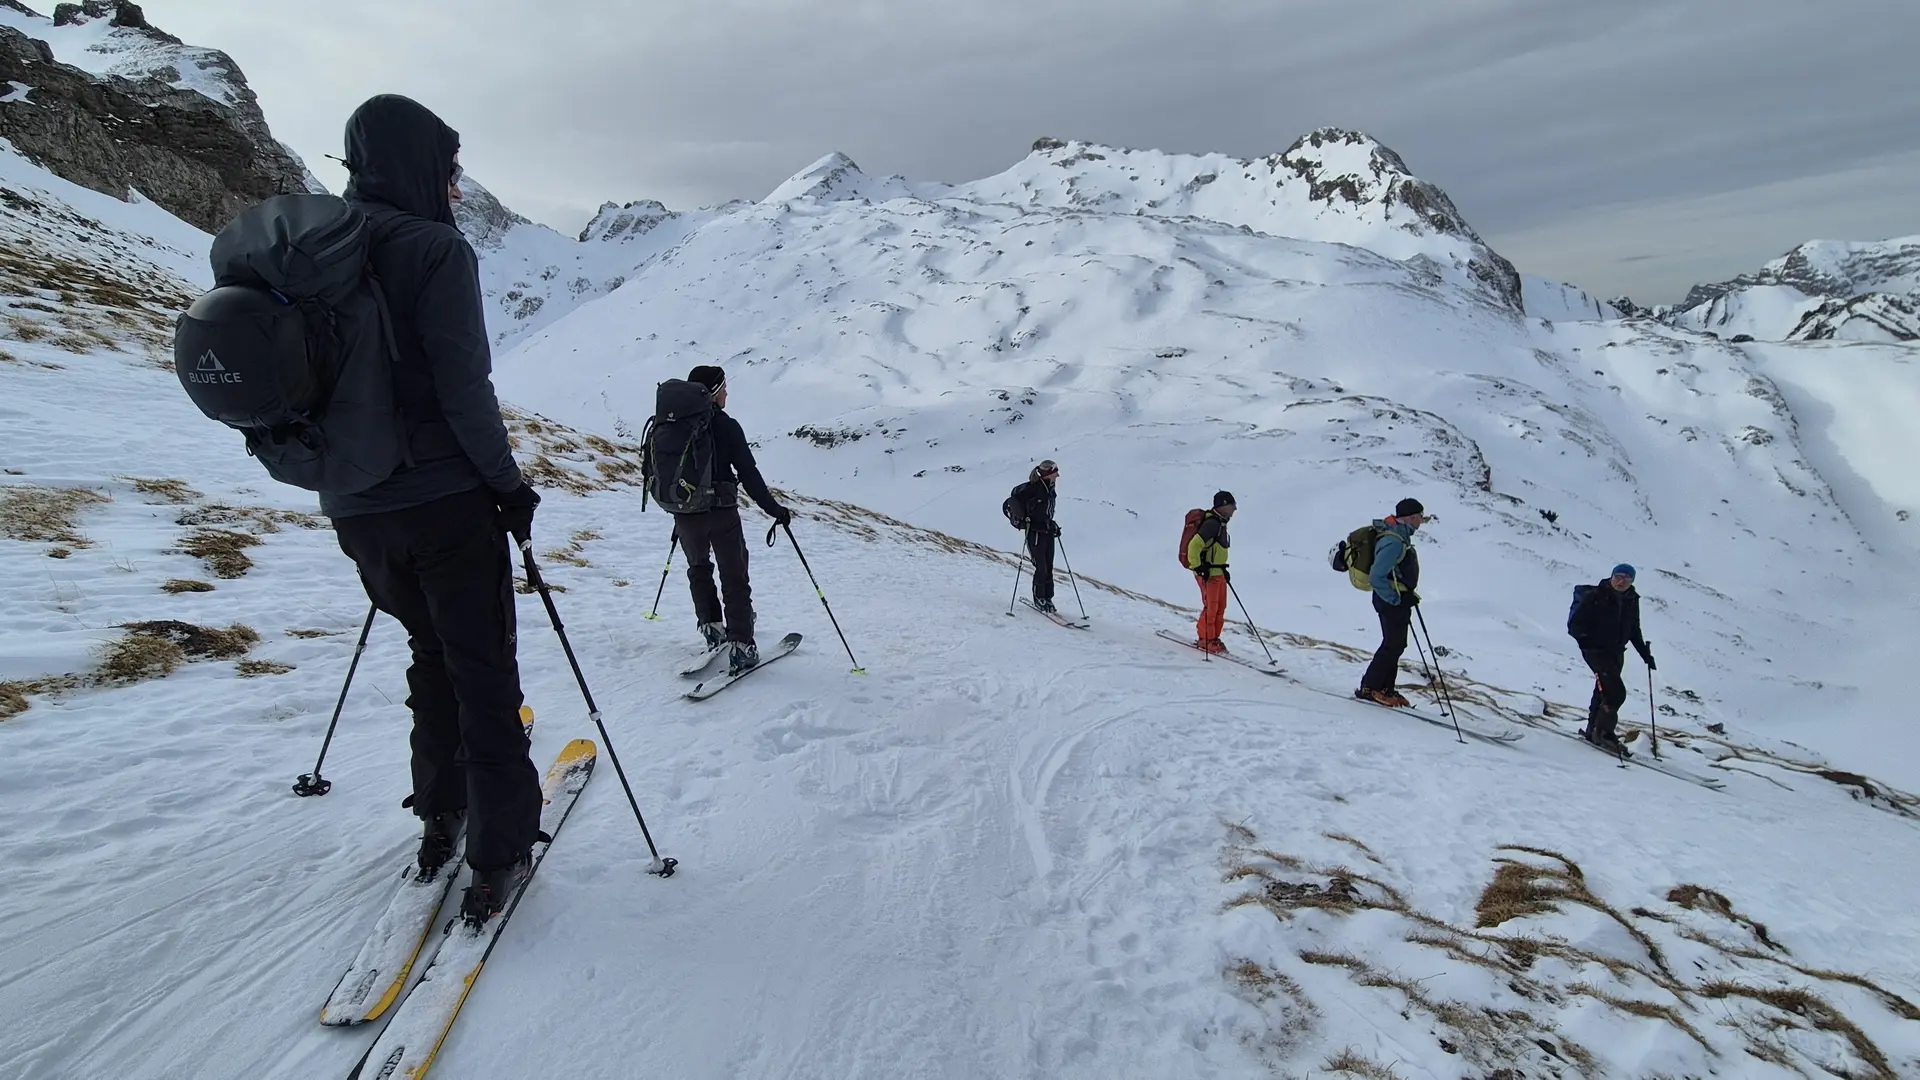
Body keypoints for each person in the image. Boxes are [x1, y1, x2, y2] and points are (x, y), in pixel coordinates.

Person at [323, 94, 544, 925]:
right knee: (483, 672)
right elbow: (463, 388)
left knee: (430, 656)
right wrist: (508, 486)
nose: (456, 187)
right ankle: (498, 853)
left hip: (356, 508)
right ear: (422, 166)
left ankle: (440, 817)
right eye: (450, 170)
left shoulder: (320, 246)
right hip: (445, 501)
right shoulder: (433, 248)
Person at [676, 364, 793, 674]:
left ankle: (712, 628)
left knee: (699, 568)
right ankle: (742, 645)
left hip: (685, 515)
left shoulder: (674, 425)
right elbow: (749, 475)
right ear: (714, 392)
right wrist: (775, 510)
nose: (727, 393)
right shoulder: (727, 426)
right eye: (724, 388)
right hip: (721, 513)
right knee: (734, 576)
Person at [1568, 563, 1655, 753]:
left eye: (1626, 578)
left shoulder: (1631, 599)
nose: (1621, 581)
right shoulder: (1595, 596)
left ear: (1632, 581)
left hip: (1616, 651)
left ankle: (1593, 730)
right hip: (1596, 651)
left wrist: (1645, 654)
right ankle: (1604, 733)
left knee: (1603, 691)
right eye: (1618, 577)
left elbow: (1633, 629)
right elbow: (1575, 625)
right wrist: (1588, 643)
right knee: (1615, 693)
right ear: (1611, 576)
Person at [1356, 498, 1426, 707]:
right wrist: (1396, 599)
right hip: (1390, 600)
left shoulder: (1399, 537)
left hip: (1397, 599)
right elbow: (1377, 576)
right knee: (1392, 644)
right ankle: (1370, 687)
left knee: (1397, 644)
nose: (1421, 521)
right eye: (1420, 517)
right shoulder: (1393, 541)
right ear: (1411, 517)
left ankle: (1385, 688)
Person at [1185, 490, 1236, 654]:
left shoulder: (1220, 523)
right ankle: (1205, 640)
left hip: (1217, 572)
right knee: (1212, 607)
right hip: (1208, 574)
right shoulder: (1212, 524)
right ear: (1223, 505)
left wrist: (1222, 569)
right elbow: (1194, 545)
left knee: (1220, 607)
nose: (1234, 509)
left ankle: (1213, 639)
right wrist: (1198, 567)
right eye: (1232, 505)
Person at [1012, 460, 1062, 612]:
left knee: (1048, 566)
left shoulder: (1050, 488)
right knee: (1041, 567)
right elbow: (1016, 503)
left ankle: (1048, 598)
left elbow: (1045, 512)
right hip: (1035, 533)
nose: (1057, 476)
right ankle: (1039, 598)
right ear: (1048, 474)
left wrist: (1052, 524)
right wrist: (1025, 520)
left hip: (1047, 531)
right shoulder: (1034, 488)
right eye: (1055, 473)